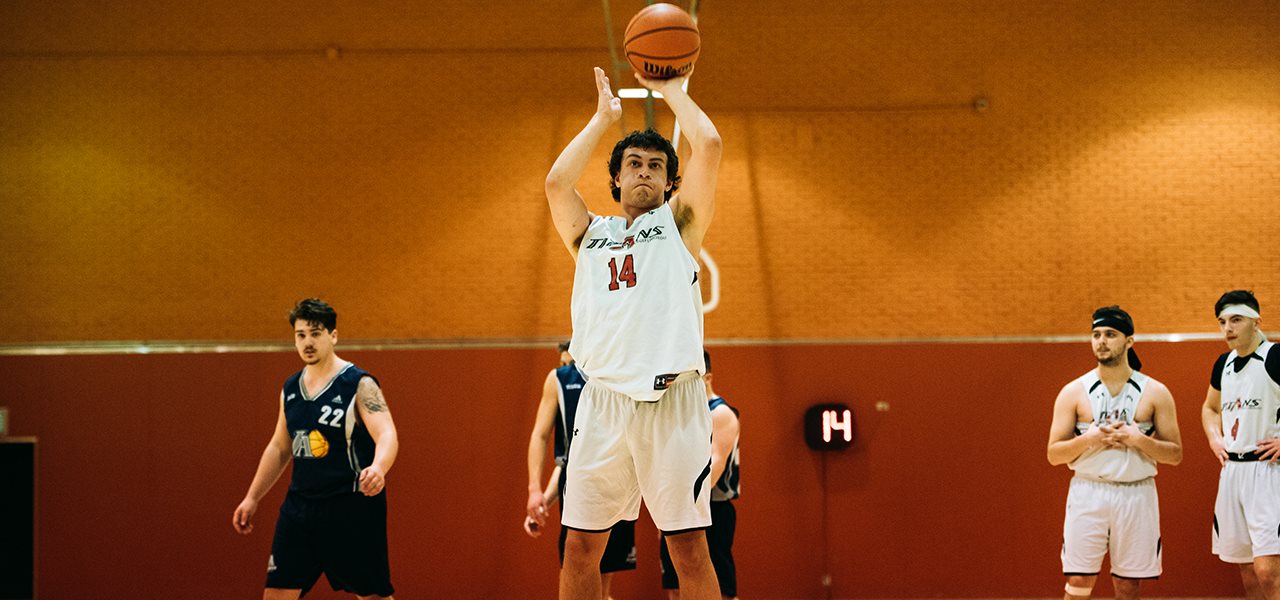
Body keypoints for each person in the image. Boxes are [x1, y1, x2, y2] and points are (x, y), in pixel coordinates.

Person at [544, 65, 722, 600]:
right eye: (633, 165)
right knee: (579, 551)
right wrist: (602, 119)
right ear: (617, 178)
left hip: (671, 400)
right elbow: (555, 183)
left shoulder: (680, 225)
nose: (644, 173)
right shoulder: (589, 235)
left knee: (687, 552)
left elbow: (708, 144)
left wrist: (671, 93)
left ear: (670, 182)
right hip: (601, 403)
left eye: (655, 166)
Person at [232, 298, 399, 600]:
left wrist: (378, 467)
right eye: (301, 334)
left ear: (333, 336)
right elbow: (280, 447)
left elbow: (386, 432)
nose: (307, 342)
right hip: (300, 509)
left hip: (350, 507)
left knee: (373, 595)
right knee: (276, 593)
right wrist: (252, 496)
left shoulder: (358, 384)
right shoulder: (290, 388)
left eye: (316, 333)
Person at [1046, 306, 1183, 600]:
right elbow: (1054, 454)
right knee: (1079, 579)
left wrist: (1138, 440)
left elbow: (1175, 454)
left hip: (1136, 493)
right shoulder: (1074, 391)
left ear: (1129, 341)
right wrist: (1091, 438)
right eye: (1096, 335)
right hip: (1088, 491)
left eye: (1110, 334)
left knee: (1128, 585)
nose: (1101, 341)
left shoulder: (1155, 391)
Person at [525, 341, 637, 599]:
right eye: (564, 361)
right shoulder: (559, 380)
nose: (566, 365)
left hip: (620, 475)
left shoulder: (619, 371)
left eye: (568, 361)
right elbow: (543, 439)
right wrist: (536, 492)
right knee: (575, 565)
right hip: (578, 481)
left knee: (605, 577)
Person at [1201, 290, 1280, 599]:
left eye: (1236, 320)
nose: (1227, 328)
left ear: (1256, 321)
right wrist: (1214, 436)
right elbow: (1209, 408)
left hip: (1269, 472)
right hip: (1233, 473)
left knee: (1268, 570)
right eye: (1222, 322)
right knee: (1246, 569)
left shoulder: (1275, 357)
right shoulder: (1224, 364)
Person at [659, 350, 740, 600]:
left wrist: (690, 508)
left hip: (711, 508)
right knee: (675, 585)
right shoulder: (680, 413)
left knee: (719, 586)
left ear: (707, 377)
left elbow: (716, 462)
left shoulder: (720, 413)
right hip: (679, 507)